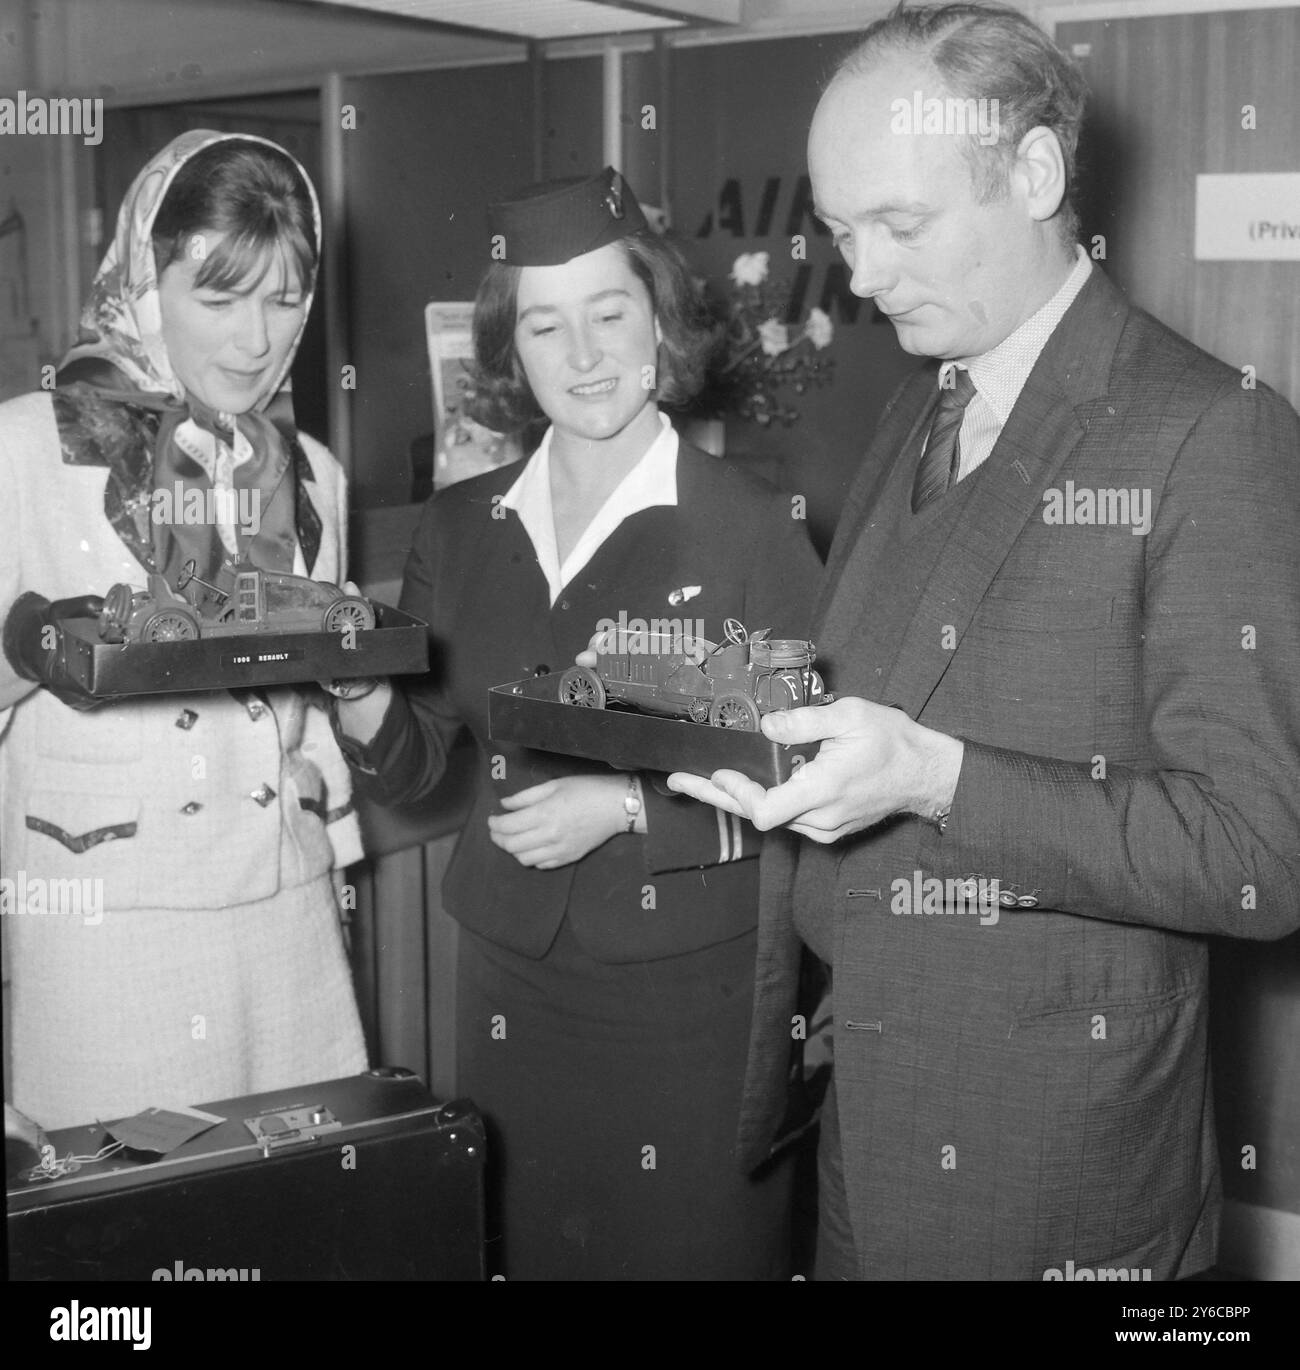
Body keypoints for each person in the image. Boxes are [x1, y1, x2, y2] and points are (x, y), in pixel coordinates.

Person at [671, 2, 1300, 1281]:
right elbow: (889, 694)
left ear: (1034, 174)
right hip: (862, 1124)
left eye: (899, 226)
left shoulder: (1211, 434)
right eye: (843, 233)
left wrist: (935, 779)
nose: (860, 276)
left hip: (1054, 1169)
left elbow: (1258, 853)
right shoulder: (920, 402)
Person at [332, 167, 822, 1279]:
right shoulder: (461, 526)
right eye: (547, 326)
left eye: (611, 313)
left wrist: (630, 807)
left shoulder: (750, 531)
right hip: (509, 990)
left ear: (660, 319)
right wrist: (362, 700)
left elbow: (804, 779)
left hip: (684, 998)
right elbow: (422, 768)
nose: (586, 353)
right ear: (510, 351)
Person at [0, 131, 368, 1130]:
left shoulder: (311, 476)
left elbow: (310, 709)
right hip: (106, 944)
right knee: (131, 1242)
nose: (256, 338)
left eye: (284, 299)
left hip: (284, 927)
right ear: (146, 280)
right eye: (218, 296)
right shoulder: (24, 453)